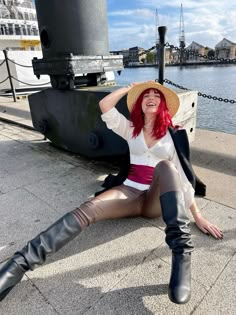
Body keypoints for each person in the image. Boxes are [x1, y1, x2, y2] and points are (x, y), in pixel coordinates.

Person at [0, 81, 223, 305]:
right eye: (146, 95)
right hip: (128, 192)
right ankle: (18, 264)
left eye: (157, 95)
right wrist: (129, 90)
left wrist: (198, 215)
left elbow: (183, 177)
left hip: (155, 199)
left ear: (163, 104)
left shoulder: (175, 133)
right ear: (140, 104)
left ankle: (182, 253)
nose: (151, 97)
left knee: (166, 167)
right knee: (87, 209)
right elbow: (105, 106)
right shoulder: (130, 129)